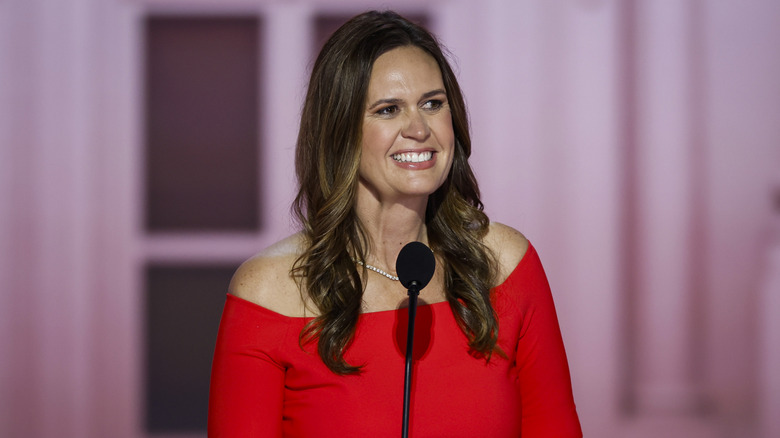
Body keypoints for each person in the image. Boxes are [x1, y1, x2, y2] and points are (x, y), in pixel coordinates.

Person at [208, 10, 581, 437]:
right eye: (388, 110)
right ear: (339, 130)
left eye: (432, 104)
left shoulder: (505, 265)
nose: (419, 128)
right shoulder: (268, 292)